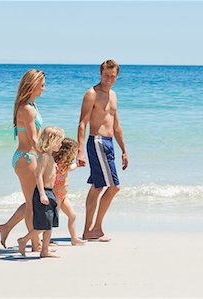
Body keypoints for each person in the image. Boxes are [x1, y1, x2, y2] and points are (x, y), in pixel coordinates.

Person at [77, 59, 128, 241]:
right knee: (113, 187)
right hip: (97, 141)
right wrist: (80, 151)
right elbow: (82, 123)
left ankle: (89, 230)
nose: (109, 79)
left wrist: (123, 150)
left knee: (98, 187)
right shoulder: (92, 94)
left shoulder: (113, 95)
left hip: (109, 143)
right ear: (100, 73)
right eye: (106, 75)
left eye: (112, 76)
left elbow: (116, 126)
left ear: (116, 76)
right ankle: (95, 228)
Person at [0, 69, 45, 250]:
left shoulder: (32, 105)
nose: (44, 88)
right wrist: (47, 156)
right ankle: (34, 243)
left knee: (30, 201)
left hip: (29, 157)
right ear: (32, 85)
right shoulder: (26, 108)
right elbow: (34, 139)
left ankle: (6, 227)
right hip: (26, 158)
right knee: (32, 204)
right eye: (41, 85)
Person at [18, 126, 64, 258]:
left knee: (49, 225)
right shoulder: (44, 156)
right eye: (59, 142)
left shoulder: (49, 156)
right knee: (42, 225)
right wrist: (42, 193)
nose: (61, 145)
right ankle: (23, 240)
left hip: (50, 192)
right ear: (51, 141)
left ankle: (44, 250)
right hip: (43, 193)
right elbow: (38, 175)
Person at [53, 138, 87, 246]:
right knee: (52, 218)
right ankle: (46, 240)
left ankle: (74, 238)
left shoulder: (65, 163)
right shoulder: (56, 163)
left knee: (72, 215)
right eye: (73, 152)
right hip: (56, 195)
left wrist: (77, 165)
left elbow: (69, 168)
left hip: (63, 196)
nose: (73, 154)